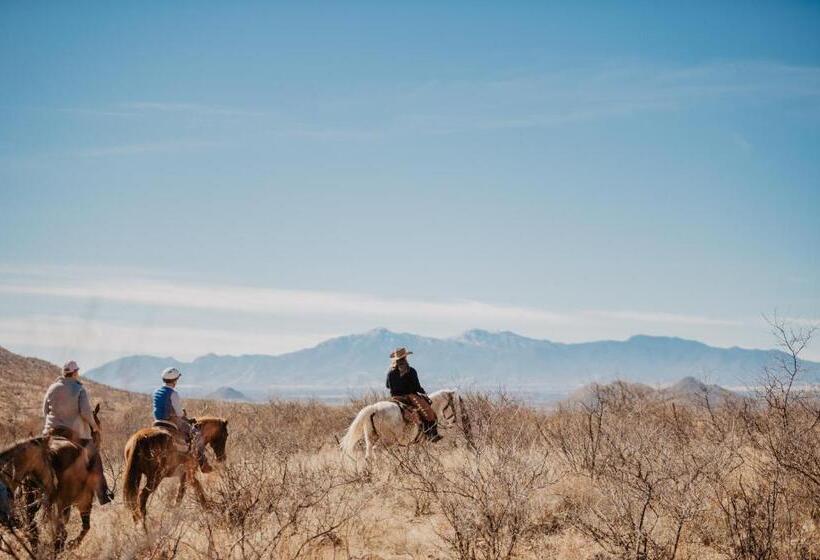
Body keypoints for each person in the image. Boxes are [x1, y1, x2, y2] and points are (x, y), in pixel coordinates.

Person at [42, 360, 114, 505]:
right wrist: (94, 427)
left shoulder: (52, 388)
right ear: (75, 373)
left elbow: (45, 410)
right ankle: (103, 493)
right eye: (77, 372)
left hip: (49, 433)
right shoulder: (79, 389)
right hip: (73, 434)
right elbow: (86, 413)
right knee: (94, 457)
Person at [152, 367, 212, 473]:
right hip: (171, 422)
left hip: (157, 422)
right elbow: (179, 414)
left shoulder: (156, 391)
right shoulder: (173, 393)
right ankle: (203, 463)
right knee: (197, 435)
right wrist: (183, 414)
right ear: (175, 380)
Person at [385, 347, 442, 442]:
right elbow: (417, 387)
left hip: (395, 398)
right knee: (428, 412)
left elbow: (387, 386)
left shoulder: (390, 372)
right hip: (410, 396)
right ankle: (432, 434)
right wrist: (423, 392)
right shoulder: (411, 371)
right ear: (405, 358)